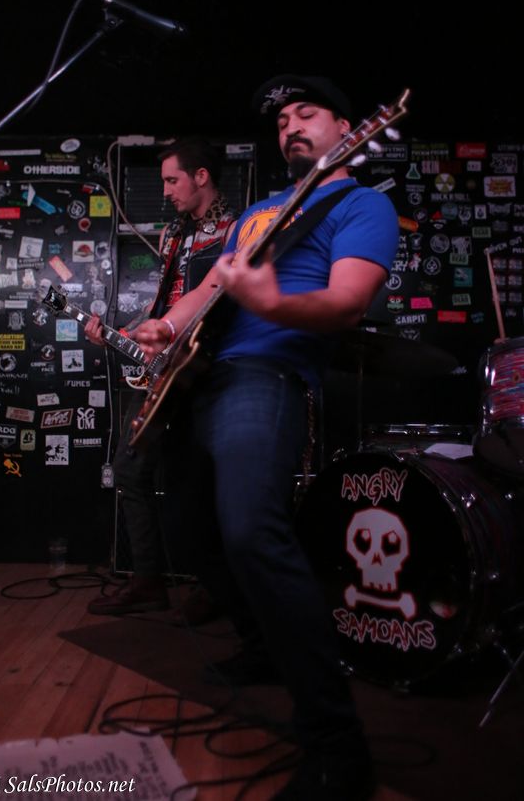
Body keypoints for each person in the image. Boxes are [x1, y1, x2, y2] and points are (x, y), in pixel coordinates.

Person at [132, 76, 399, 800]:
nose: (290, 126)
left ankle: (337, 747)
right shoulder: (259, 212)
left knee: (252, 530)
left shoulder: (361, 205)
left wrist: (274, 302)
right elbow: (208, 291)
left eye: (306, 113)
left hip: (265, 376)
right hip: (198, 379)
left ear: (346, 126)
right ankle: (262, 649)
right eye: (281, 120)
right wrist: (165, 325)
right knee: (190, 535)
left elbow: (346, 303)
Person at [85, 136, 237, 617]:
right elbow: (166, 304)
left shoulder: (236, 231)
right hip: (162, 371)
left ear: (201, 177)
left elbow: (223, 304)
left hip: (207, 371)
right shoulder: (174, 234)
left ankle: (215, 588)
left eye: (172, 180)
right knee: (130, 470)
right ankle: (147, 580)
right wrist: (124, 333)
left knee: (199, 481)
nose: (166, 191)